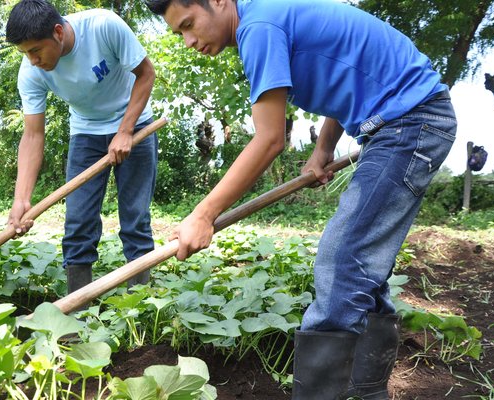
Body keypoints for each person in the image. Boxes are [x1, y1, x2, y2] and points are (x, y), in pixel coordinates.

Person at [145, 0, 456, 398]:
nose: (188, 41)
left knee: (343, 259)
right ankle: (368, 391)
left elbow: (270, 137)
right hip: (402, 121)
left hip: (411, 121)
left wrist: (203, 213)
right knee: (363, 264)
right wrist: (323, 149)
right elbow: (349, 81)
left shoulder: (260, 26)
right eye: (178, 33)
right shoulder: (268, 17)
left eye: (189, 24)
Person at [5, 0, 158, 299]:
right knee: (78, 221)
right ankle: (77, 310)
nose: (32, 60)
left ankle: (140, 307)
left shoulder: (103, 26)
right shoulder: (31, 72)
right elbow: (33, 136)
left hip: (136, 124)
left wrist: (125, 131)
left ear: (58, 32)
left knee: (135, 217)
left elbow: (146, 74)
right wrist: (21, 199)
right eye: (25, 53)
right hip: (86, 134)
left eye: (36, 50)